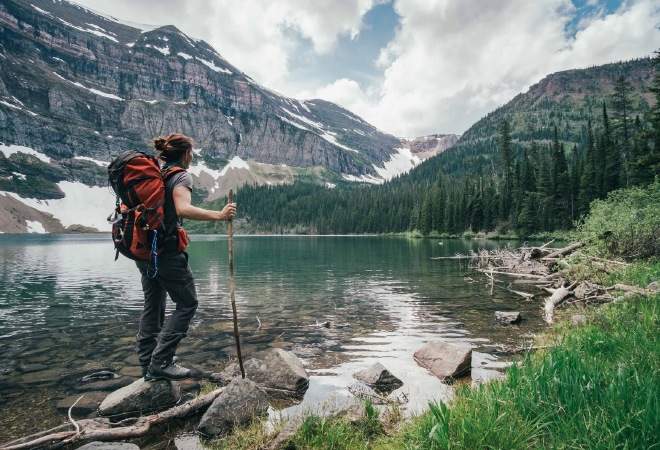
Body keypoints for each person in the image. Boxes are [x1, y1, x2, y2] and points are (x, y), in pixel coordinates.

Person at [136, 133, 236, 381]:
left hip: (144, 251)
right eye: (191, 152)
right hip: (167, 253)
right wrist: (220, 215)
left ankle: (148, 363)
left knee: (153, 305)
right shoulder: (180, 175)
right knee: (187, 303)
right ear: (185, 153)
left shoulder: (155, 175)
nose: (193, 156)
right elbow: (182, 208)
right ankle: (161, 362)